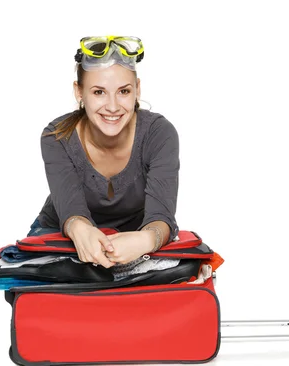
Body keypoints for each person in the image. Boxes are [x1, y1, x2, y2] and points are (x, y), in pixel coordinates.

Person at [29, 36, 180, 269]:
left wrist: (146, 239)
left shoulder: (159, 133)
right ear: (79, 92)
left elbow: (161, 216)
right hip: (62, 235)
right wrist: (79, 228)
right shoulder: (56, 136)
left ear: (137, 89)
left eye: (124, 91)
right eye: (99, 92)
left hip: (133, 238)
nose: (112, 106)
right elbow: (72, 211)